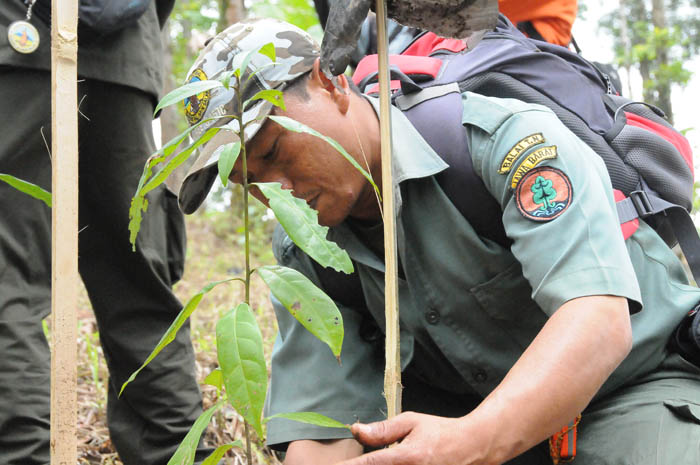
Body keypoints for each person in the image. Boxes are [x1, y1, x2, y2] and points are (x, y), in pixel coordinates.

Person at [177, 18, 700, 465]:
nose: (276, 191)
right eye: (249, 183)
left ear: (329, 83)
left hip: (631, 390)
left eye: (272, 152)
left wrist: (470, 442)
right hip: (467, 420)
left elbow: (597, 323)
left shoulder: (497, 140)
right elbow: (322, 429)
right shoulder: (304, 247)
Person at [0, 1, 212, 464]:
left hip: (18, 41)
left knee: (6, 277)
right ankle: (178, 455)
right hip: (125, 58)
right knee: (138, 283)